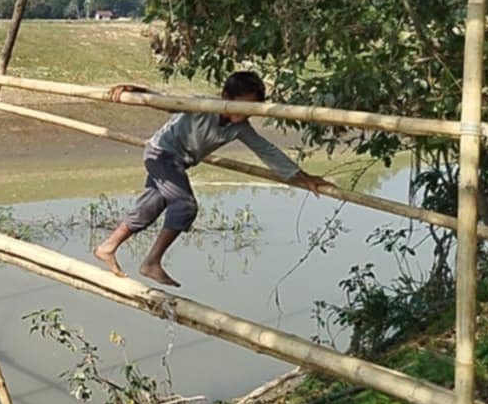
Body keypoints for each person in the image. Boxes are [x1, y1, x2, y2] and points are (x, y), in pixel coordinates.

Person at [93, 71, 331, 287]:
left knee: (152, 204)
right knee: (184, 206)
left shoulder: (240, 127)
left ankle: (107, 247)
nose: (245, 114)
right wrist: (135, 90)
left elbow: (266, 150)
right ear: (226, 97)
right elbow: (164, 101)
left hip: (178, 163)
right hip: (161, 154)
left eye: (252, 109)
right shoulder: (203, 106)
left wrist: (302, 177)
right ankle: (151, 262)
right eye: (242, 107)